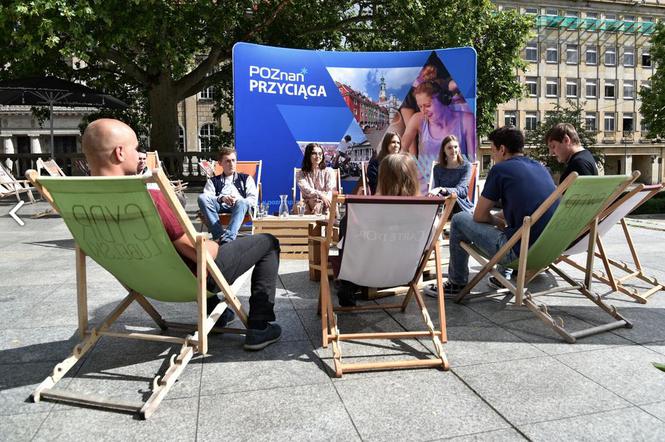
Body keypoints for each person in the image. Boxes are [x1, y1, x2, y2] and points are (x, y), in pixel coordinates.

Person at [81, 119, 281, 351]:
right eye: (136, 148)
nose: (140, 155)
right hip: (190, 278)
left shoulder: (80, 202)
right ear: (119, 152)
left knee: (190, 250)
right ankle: (259, 326)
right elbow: (198, 253)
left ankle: (218, 313)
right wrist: (213, 243)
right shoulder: (147, 198)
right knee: (268, 243)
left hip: (141, 279)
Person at [434, 126, 557, 296]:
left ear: (502, 149)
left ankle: (456, 282)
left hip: (518, 253)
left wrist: (496, 221)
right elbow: (525, 208)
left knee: (459, 219)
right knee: (508, 228)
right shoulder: (540, 167)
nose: (492, 156)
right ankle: (502, 277)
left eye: (493, 150)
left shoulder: (501, 170)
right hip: (548, 251)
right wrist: (497, 219)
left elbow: (479, 216)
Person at [336, 153, 420, 306]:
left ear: (383, 178)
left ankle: (347, 285)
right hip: (405, 272)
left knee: (346, 228)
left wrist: (359, 207)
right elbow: (429, 245)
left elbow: (349, 244)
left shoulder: (366, 212)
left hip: (366, 271)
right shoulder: (424, 211)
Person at [401, 80, 475, 193]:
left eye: (428, 105)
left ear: (443, 100)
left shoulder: (466, 120)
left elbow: (472, 160)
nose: (424, 111)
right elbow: (403, 148)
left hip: (454, 189)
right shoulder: (418, 119)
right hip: (424, 190)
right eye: (420, 106)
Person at [197, 147, 258, 244]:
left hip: (239, 207)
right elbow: (207, 197)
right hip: (220, 206)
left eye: (233, 160)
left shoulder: (246, 179)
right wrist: (222, 198)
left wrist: (238, 200)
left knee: (242, 202)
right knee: (202, 197)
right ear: (220, 163)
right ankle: (219, 235)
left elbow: (253, 199)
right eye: (228, 161)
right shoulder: (213, 181)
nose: (231, 164)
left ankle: (228, 239)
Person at [427, 134, 474, 213]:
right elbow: (438, 191)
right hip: (443, 206)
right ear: (444, 150)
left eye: (456, 147)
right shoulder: (437, 168)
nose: (453, 150)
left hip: (461, 206)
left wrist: (444, 190)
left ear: (459, 149)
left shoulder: (466, 166)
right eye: (449, 148)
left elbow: (461, 190)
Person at [297, 143, 337, 214]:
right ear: (308, 155)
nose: (318, 156)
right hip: (308, 202)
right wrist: (321, 195)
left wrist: (323, 200)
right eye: (314, 153)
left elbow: (330, 190)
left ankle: (323, 222)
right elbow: (307, 190)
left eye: (320, 154)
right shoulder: (301, 173)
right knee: (298, 207)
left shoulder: (329, 171)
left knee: (319, 206)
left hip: (326, 201)